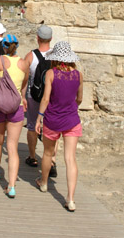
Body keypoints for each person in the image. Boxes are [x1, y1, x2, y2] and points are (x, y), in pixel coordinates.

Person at [35, 41, 83, 212]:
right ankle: (70, 198)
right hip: (71, 120)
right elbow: (79, 99)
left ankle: (44, 182)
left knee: (48, 153)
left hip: (53, 119)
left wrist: (39, 117)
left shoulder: (50, 73)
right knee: (70, 158)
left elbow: (46, 98)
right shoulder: (78, 74)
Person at [0, 34, 29, 199]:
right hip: (16, 107)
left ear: (4, 46)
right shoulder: (23, 63)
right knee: (12, 147)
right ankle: (11, 186)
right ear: (17, 46)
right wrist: (23, 97)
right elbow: (25, 83)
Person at [23, 25, 53, 170]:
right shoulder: (56, 56)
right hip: (52, 98)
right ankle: (51, 158)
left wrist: (22, 96)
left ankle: (33, 156)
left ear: (37, 38)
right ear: (51, 39)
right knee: (52, 128)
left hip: (34, 96)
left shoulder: (31, 55)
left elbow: (24, 77)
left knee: (31, 126)